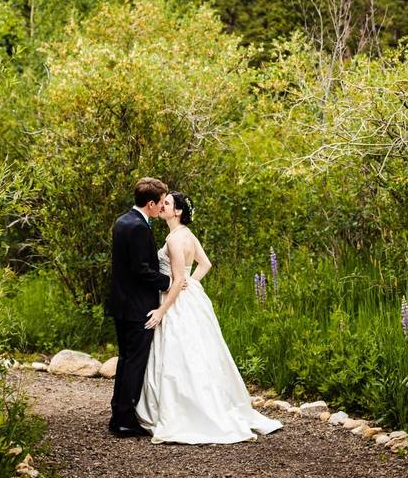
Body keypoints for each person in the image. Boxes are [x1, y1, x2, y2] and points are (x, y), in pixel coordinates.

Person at [135, 191, 283, 444]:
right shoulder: (187, 235)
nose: (162, 206)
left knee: (179, 353)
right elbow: (205, 265)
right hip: (191, 298)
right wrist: (191, 284)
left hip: (175, 301)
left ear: (178, 211)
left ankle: (188, 411)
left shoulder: (173, 239)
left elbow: (178, 278)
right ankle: (212, 401)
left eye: (167, 204)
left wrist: (163, 309)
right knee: (200, 352)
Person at [107, 177, 180, 437]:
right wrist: (170, 282)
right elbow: (140, 270)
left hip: (121, 305)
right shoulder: (138, 227)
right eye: (161, 202)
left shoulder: (122, 221)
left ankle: (119, 415)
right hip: (137, 307)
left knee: (126, 360)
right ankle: (124, 420)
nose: (162, 207)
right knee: (134, 363)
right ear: (150, 203)